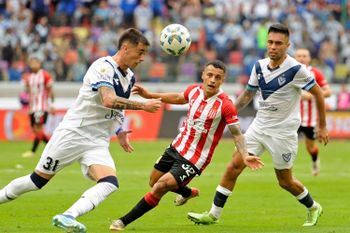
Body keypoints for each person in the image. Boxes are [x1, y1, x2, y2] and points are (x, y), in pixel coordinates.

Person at [0, 28, 162, 233]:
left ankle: (67, 216)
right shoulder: (102, 67)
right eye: (140, 52)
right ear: (125, 47)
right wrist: (143, 105)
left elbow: (117, 106)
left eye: (145, 54)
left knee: (110, 182)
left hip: (97, 140)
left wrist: (120, 129)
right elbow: (109, 99)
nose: (142, 58)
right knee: (36, 181)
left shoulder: (129, 76)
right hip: (74, 133)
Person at [187, 24, 329, 227]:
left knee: (285, 181)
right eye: (270, 42)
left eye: (278, 43)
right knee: (233, 167)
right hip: (258, 127)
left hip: (283, 133)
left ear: (287, 46)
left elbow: (318, 94)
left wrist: (322, 126)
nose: (273, 47)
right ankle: (213, 215)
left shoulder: (297, 70)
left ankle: (313, 206)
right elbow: (247, 95)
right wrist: (224, 114)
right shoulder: (259, 66)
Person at [109, 60, 264, 231]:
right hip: (176, 146)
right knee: (153, 182)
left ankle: (122, 222)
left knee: (160, 186)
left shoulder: (225, 105)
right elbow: (178, 98)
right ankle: (187, 192)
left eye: (218, 77)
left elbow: (237, 134)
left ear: (223, 80)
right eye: (210, 75)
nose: (213, 80)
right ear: (203, 75)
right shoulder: (194, 90)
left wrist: (245, 155)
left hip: (195, 158)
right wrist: (149, 95)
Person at [295, 48, 331, 176]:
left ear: (309, 58)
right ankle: (286, 171)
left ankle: (315, 160)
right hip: (292, 118)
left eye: (304, 56)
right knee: (286, 144)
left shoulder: (316, 73)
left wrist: (313, 95)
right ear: (295, 57)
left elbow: (328, 92)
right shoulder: (289, 72)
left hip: (310, 119)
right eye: (299, 56)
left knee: (310, 148)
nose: (302, 58)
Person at [21, 56, 55, 158]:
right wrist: (28, 106)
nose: (34, 64)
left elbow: (50, 90)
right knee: (36, 130)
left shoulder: (44, 75)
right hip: (33, 108)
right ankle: (52, 148)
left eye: (36, 62)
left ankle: (32, 151)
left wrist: (51, 104)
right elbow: (28, 93)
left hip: (42, 107)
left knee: (38, 128)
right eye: (32, 63)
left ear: (39, 64)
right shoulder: (28, 77)